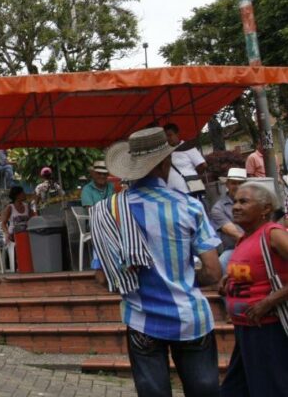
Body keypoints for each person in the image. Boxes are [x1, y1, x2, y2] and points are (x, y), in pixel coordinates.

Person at [90, 127, 221, 397]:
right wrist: (179, 278)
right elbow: (213, 270)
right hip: (190, 318)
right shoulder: (189, 207)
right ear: (166, 162)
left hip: (142, 320)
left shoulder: (108, 211)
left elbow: (103, 278)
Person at [220, 182, 288, 397]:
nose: (236, 207)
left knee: (269, 390)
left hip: (268, 329)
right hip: (246, 330)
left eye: (244, 201)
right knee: (234, 390)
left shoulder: (273, 234)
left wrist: (268, 301)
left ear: (266, 209)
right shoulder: (245, 238)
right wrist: (227, 280)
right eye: (235, 202)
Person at [209, 167, 247, 271]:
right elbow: (233, 232)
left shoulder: (254, 202)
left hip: (259, 244)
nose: (237, 186)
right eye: (234, 183)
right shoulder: (218, 208)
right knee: (220, 266)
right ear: (227, 184)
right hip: (233, 249)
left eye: (241, 183)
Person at [164, 122, 207, 197]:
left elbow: (203, 165)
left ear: (177, 134)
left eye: (169, 135)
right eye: (165, 136)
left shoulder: (188, 147)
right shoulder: (165, 152)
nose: (167, 138)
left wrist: (191, 174)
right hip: (173, 193)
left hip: (189, 190)